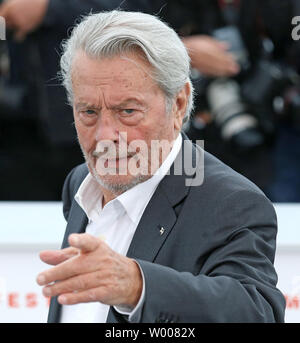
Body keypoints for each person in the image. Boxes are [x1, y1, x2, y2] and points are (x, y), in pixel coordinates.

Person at [36, 10, 285, 323]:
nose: (105, 136)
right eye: (88, 112)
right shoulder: (80, 183)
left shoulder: (231, 201)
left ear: (179, 104)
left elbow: (256, 312)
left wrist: (138, 287)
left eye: (127, 111)